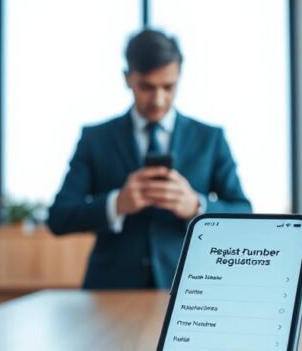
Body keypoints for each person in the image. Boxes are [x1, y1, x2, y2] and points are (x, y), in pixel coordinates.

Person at [47, 29, 251, 289]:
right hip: (109, 292)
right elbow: (59, 217)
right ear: (127, 78)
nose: (158, 99)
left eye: (168, 87)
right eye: (146, 87)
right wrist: (116, 204)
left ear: (180, 77)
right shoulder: (95, 138)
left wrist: (197, 208)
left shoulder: (210, 138)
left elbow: (243, 213)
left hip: (190, 290)